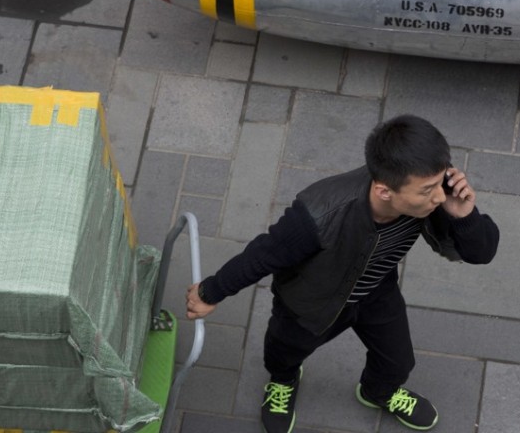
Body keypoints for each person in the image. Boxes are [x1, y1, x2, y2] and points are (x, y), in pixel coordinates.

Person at [185, 114, 500, 433]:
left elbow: (480, 254)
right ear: (385, 191)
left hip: (376, 294)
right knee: (284, 351)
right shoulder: (319, 214)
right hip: (309, 303)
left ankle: (378, 391)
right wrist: (211, 292)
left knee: (398, 362)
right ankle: (282, 382)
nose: (438, 197)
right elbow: (264, 254)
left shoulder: (433, 201)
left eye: (440, 182)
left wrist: (465, 215)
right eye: (427, 190)